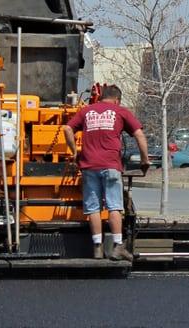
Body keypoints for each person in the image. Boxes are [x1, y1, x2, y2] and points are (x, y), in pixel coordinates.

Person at [63, 85, 150, 261]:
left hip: (88, 166)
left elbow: (67, 129)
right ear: (117, 99)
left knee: (93, 208)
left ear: (101, 97)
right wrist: (144, 160)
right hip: (110, 165)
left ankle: (97, 248)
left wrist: (74, 151)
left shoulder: (86, 111)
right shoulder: (120, 111)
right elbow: (139, 135)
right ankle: (118, 246)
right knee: (114, 206)